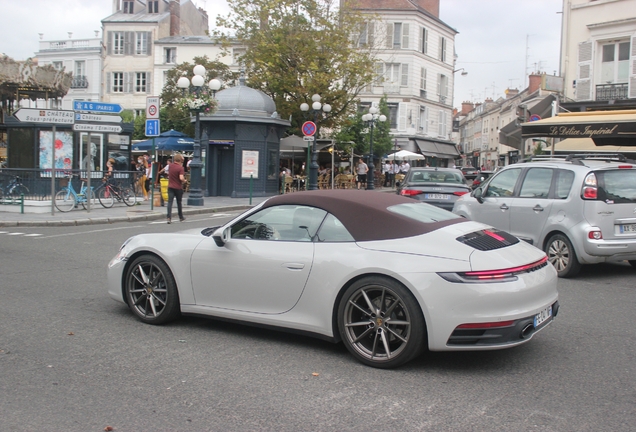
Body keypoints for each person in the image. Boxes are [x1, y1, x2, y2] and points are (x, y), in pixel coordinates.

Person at [166, 153, 186, 224]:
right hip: (178, 187)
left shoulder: (170, 166)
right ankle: (181, 217)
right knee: (179, 203)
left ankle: (169, 217)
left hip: (170, 186)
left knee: (170, 202)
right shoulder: (181, 168)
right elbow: (181, 177)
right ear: (180, 160)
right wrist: (184, 180)